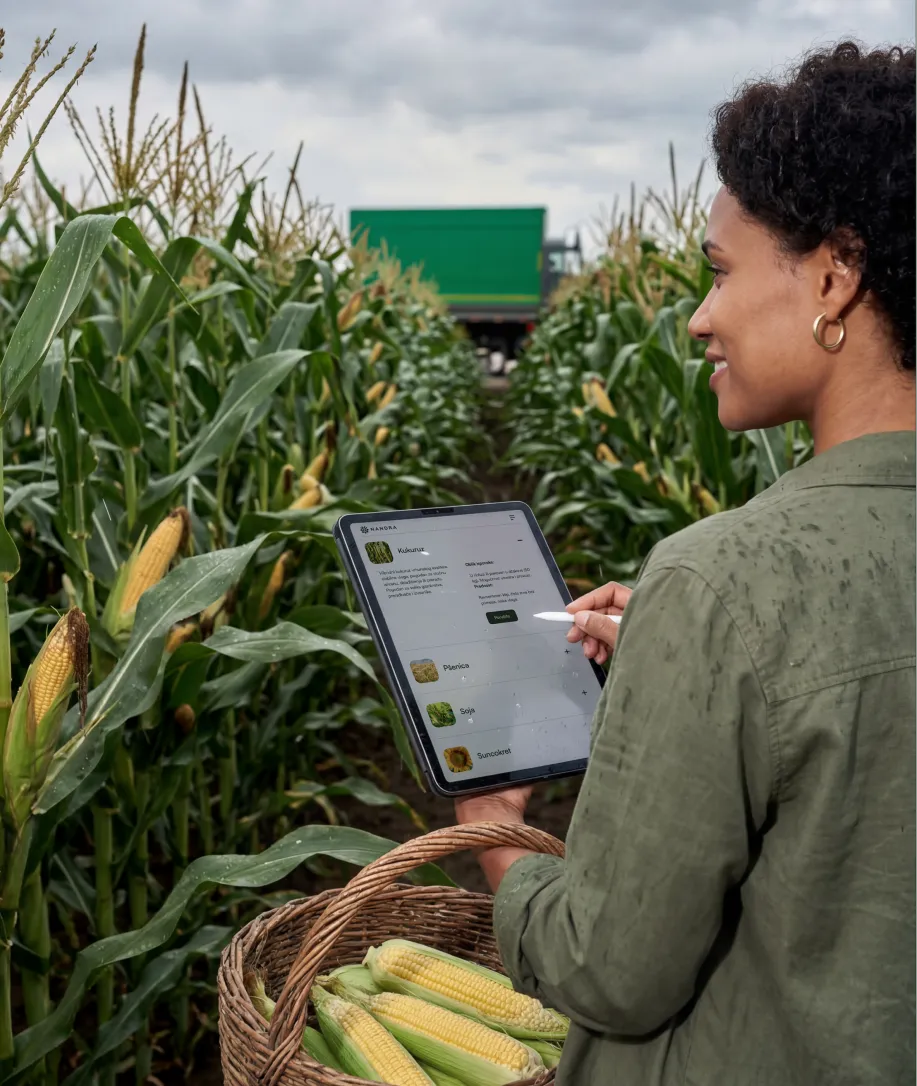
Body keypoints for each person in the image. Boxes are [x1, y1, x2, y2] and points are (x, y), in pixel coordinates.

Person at [455, 41, 915, 1086]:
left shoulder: (723, 583)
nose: (698, 318)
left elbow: (610, 968)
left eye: (716, 272)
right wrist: (681, 653)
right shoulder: (720, 605)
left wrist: (497, 846)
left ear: (834, 276)